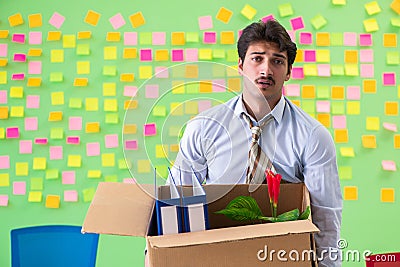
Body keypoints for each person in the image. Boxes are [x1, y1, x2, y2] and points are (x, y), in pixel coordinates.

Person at [168, 19, 342, 267]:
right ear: (240, 65)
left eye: (277, 61)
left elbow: (326, 215)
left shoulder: (313, 136)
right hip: (218, 255)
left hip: (282, 257)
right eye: (257, 58)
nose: (266, 70)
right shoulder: (204, 127)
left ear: (289, 72)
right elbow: (176, 200)